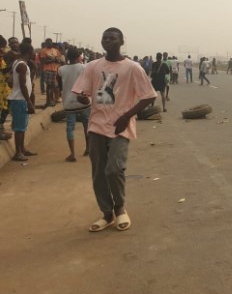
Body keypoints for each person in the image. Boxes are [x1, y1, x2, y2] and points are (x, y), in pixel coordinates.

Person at [72, 27, 157, 232]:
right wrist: (82, 97)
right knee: (98, 172)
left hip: (121, 126)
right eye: (105, 37)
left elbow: (149, 96)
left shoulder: (132, 68)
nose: (107, 41)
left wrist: (126, 116)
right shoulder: (92, 66)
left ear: (121, 42)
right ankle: (107, 213)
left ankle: (120, 208)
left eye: (112, 38)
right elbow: (82, 92)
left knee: (114, 168)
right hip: (96, 125)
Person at [58, 47, 91, 162]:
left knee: (70, 128)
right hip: (83, 101)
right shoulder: (83, 67)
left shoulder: (61, 69)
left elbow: (60, 86)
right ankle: (88, 149)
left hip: (69, 102)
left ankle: (72, 154)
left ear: (67, 57)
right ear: (79, 57)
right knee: (87, 126)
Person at [9, 40, 37, 161]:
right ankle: (18, 152)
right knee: (20, 128)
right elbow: (22, 84)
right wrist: (29, 101)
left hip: (19, 99)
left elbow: (10, 81)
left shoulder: (17, 63)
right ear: (29, 52)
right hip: (20, 100)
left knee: (22, 126)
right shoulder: (22, 65)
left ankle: (22, 149)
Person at [40, 38, 62, 107]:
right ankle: (48, 101)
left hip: (54, 70)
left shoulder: (55, 51)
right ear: (46, 43)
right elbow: (44, 61)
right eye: (47, 42)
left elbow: (58, 60)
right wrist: (53, 60)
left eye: (50, 42)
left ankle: (52, 100)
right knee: (49, 86)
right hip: (47, 70)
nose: (49, 44)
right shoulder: (44, 51)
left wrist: (52, 59)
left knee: (53, 86)